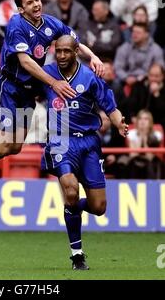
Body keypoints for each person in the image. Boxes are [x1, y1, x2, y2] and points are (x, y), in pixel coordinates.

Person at [0, 0, 104, 204]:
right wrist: (54, 83)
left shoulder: (50, 23)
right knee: (4, 144)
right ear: (22, 9)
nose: (37, 4)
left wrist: (93, 56)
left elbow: (73, 41)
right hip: (9, 88)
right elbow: (25, 62)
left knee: (14, 147)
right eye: (30, 2)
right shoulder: (16, 25)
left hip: (28, 91)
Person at [41, 35, 128, 270]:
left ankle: (72, 209)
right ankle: (77, 255)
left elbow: (110, 107)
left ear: (76, 51)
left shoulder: (90, 77)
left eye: (66, 51)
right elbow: (23, 85)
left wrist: (119, 124)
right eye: (58, 51)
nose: (61, 56)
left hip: (89, 143)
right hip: (60, 142)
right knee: (70, 190)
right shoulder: (46, 73)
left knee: (99, 207)